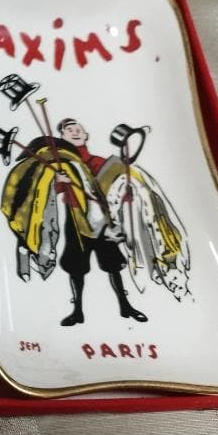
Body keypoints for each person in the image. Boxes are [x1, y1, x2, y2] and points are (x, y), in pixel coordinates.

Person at [54, 118, 147, 326]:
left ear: (86, 135)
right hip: (76, 218)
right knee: (76, 265)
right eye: (69, 130)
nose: (74, 132)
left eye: (78, 129)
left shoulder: (100, 162)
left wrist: (127, 193)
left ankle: (125, 305)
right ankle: (77, 311)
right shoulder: (63, 164)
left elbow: (116, 189)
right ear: (62, 137)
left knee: (113, 263)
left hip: (104, 220)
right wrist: (59, 181)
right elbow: (56, 190)